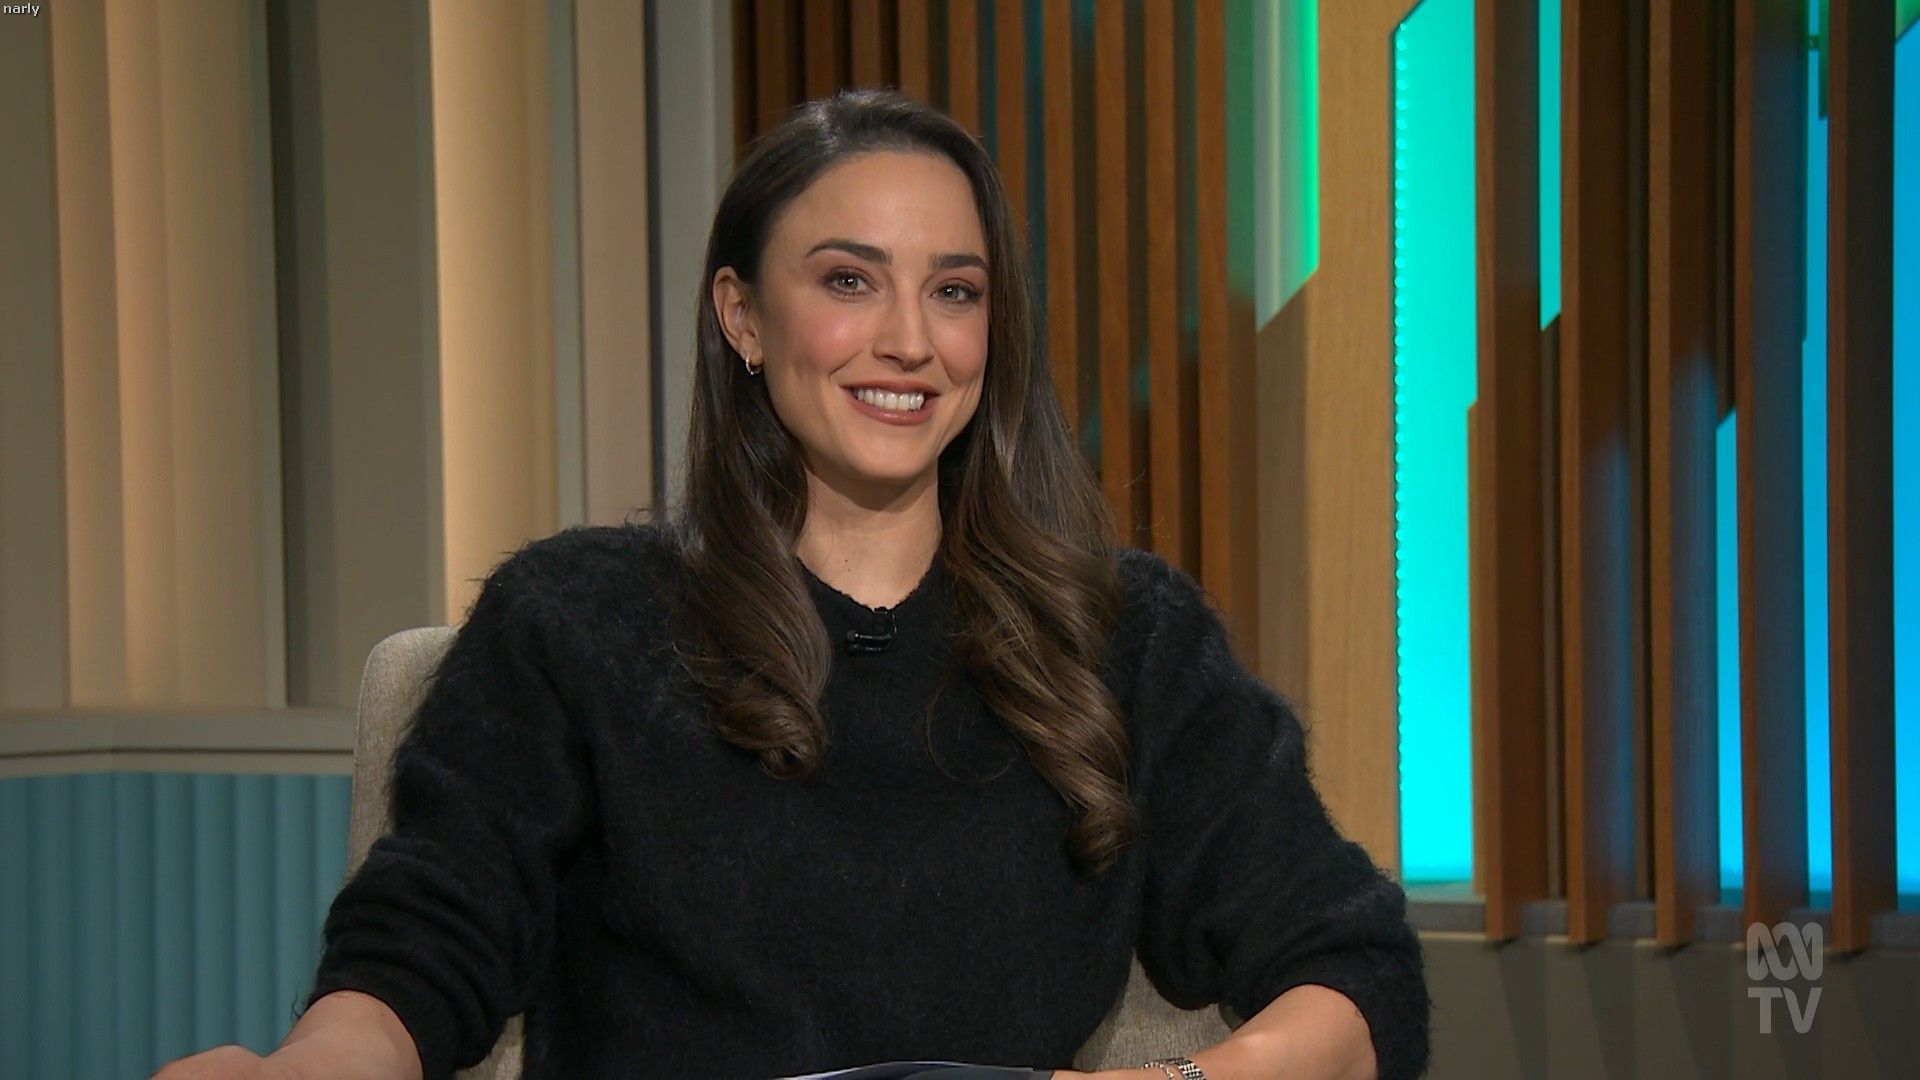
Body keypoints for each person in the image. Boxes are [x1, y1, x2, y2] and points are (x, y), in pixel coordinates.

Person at [156, 88, 1429, 1080]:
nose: (909, 342)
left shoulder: (1124, 638)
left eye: (955, 292)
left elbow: (1353, 965)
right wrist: (305, 1067)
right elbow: (421, 956)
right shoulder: (574, 625)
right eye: (848, 281)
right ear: (744, 317)